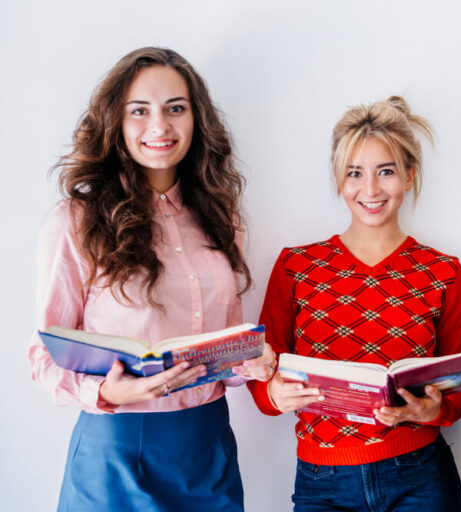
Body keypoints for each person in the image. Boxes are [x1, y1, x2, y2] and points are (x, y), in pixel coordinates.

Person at [28, 47, 276, 512]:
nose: (160, 127)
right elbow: (44, 355)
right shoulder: (75, 222)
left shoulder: (223, 219)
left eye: (175, 109)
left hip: (208, 446)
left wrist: (252, 361)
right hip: (117, 448)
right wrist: (104, 392)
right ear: (115, 123)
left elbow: (226, 343)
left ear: (197, 119)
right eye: (139, 111)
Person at [248, 96, 461, 511]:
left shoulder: (443, 272)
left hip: (420, 476)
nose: (369, 189)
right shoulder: (296, 267)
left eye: (385, 171)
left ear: (409, 175)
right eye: (355, 173)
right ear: (339, 179)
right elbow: (261, 369)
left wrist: (431, 410)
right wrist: (273, 395)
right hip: (323, 482)